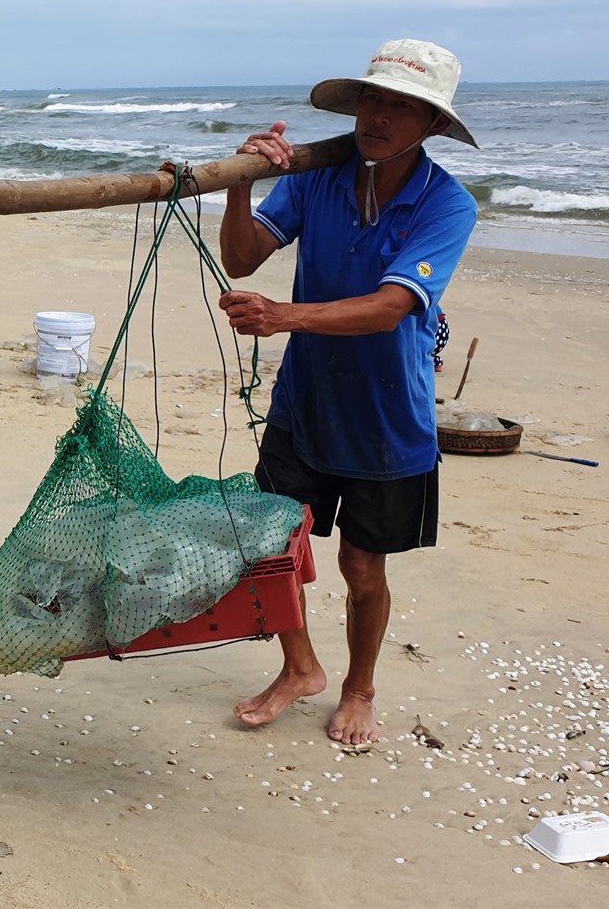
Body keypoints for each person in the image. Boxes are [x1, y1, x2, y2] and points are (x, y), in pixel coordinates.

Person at [215, 39, 478, 745]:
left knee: (363, 565)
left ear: (431, 125)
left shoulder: (447, 204)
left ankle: (360, 687)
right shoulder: (315, 176)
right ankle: (300, 668)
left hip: (388, 417)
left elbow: (392, 305)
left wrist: (280, 317)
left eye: (404, 105)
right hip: (306, 402)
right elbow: (242, 256)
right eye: (374, 97)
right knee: (272, 547)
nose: (381, 115)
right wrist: (242, 179)